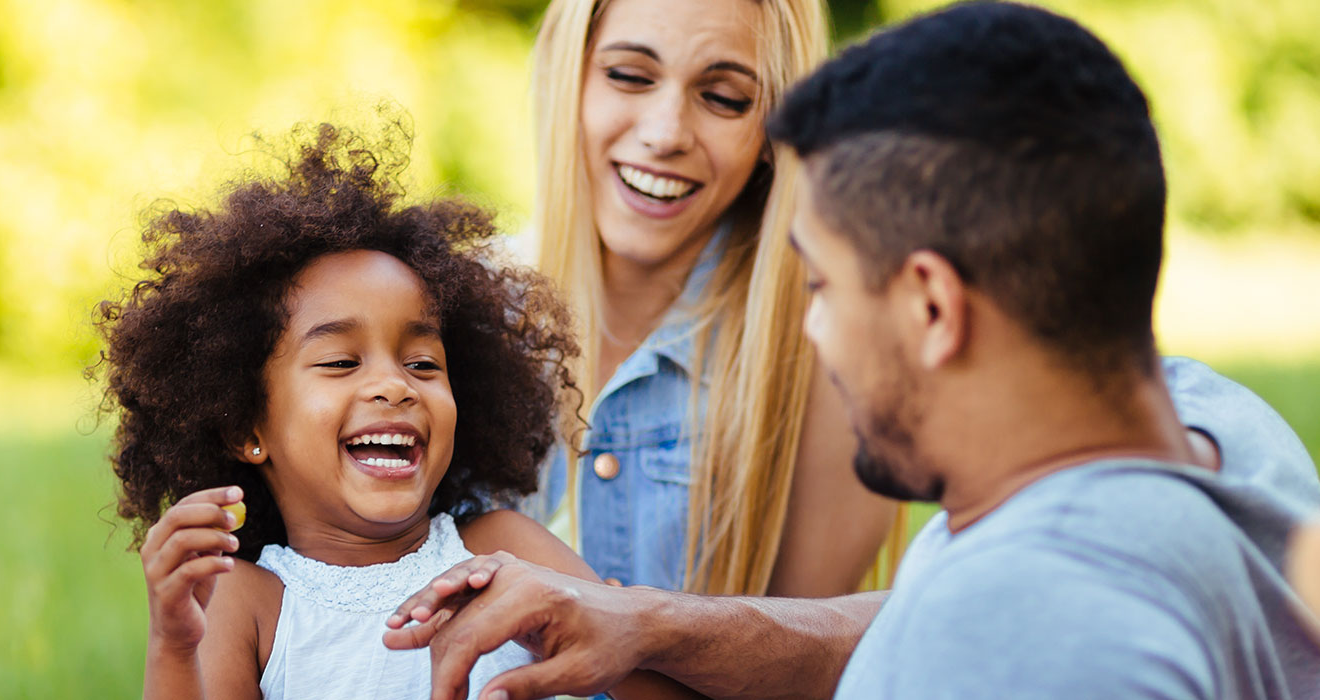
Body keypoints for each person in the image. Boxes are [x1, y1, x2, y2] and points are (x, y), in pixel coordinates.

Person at [384, 3, 1320, 698]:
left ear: (932, 307)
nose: (812, 331)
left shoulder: (1025, 623)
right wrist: (646, 619)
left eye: (823, 287)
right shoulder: (1233, 435)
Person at [96, 124, 692, 699]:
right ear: (244, 426)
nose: (394, 385)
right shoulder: (245, 603)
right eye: (339, 362)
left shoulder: (505, 551)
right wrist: (173, 643)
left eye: (423, 364)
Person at [525, 0, 899, 600]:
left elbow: (799, 672)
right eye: (629, 76)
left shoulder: (830, 365)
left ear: (776, 129)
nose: (665, 133)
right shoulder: (448, 313)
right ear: (569, 72)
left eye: (724, 98)